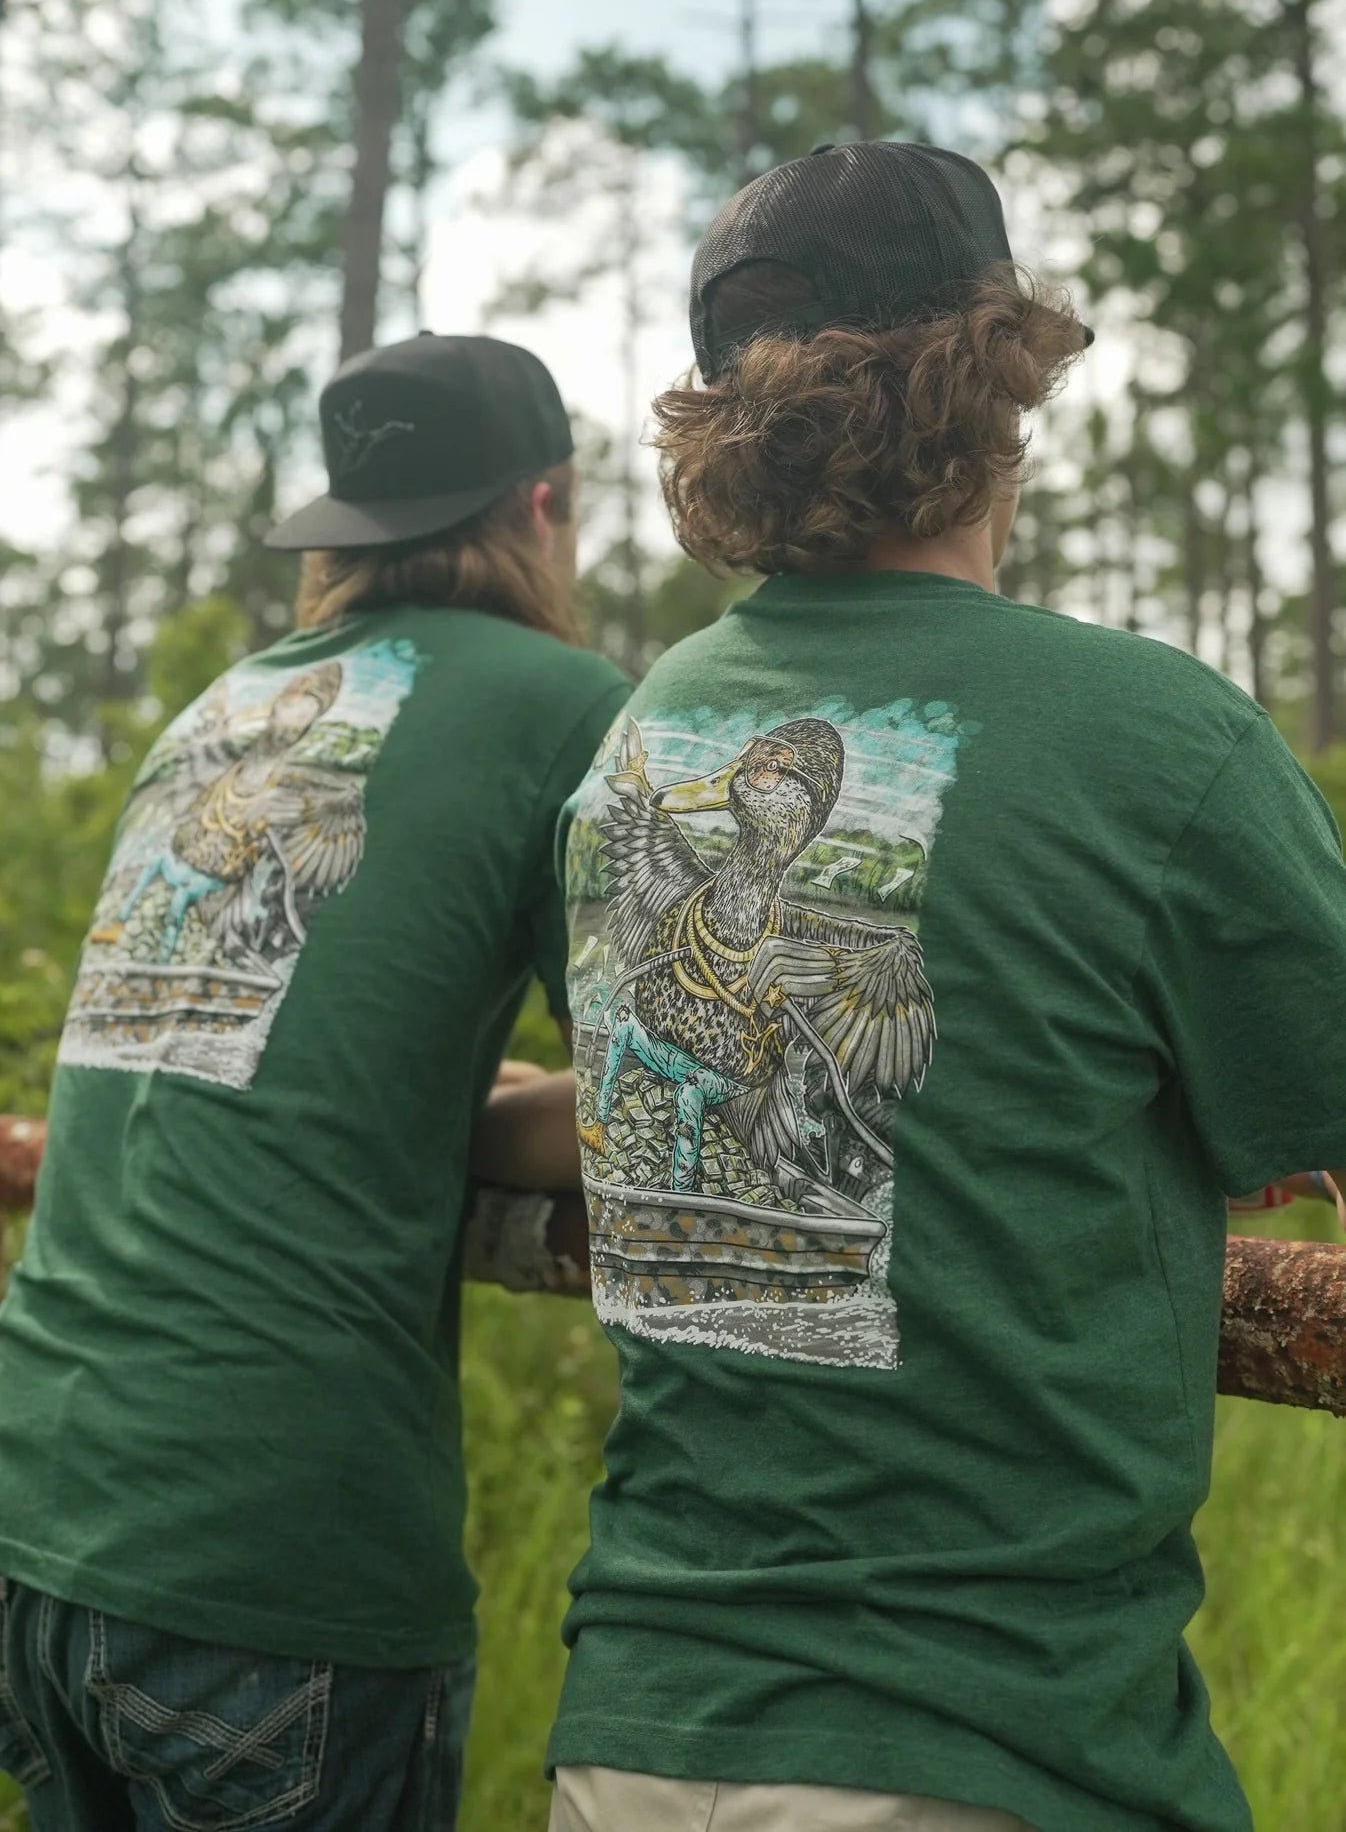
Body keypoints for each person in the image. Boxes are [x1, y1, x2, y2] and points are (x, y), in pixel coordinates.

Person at [549, 143, 1346, 1832]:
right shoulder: (1155, 737)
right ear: (1001, 382)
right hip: (984, 1745)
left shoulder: (641, 732)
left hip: (631, 1738)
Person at [0, 333, 629, 1831]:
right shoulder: (566, 704)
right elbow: (670, 1103)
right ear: (542, 506)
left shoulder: (221, 713)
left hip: (36, 1503)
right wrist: (473, 1121)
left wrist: (413, 1107)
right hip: (270, 1550)